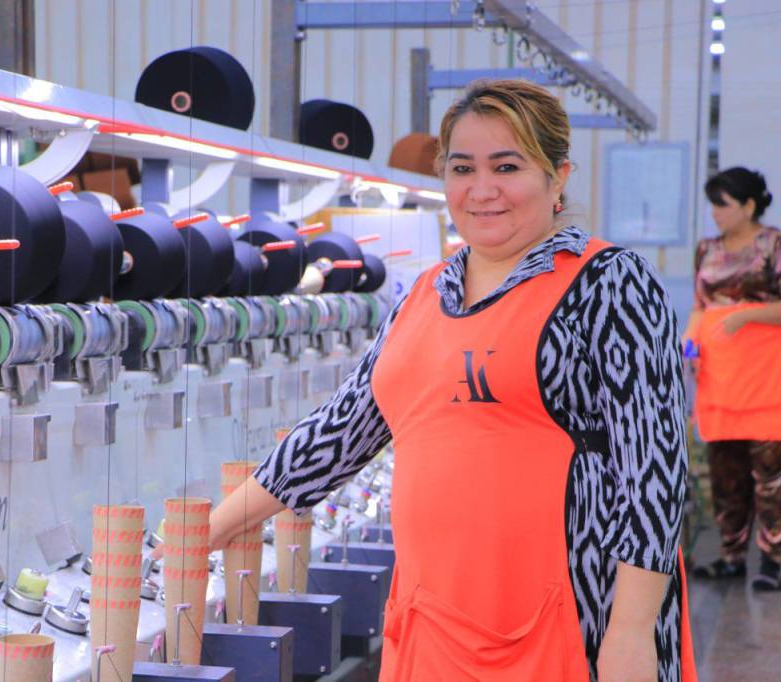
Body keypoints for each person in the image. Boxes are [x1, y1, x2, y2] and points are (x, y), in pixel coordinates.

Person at [204, 80, 696, 681]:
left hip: (576, 615)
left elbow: (654, 470)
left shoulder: (610, 282)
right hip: (431, 617)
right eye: (463, 168)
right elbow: (340, 431)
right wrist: (210, 530)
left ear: (557, 177)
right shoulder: (424, 291)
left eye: (507, 167)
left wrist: (632, 633)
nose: (482, 190)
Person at [686, 167, 781, 590]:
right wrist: (690, 344)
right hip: (719, 377)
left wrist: (746, 316)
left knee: (770, 476)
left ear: (748, 206)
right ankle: (731, 555)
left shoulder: (773, 244)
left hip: (766, 377)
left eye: (722, 205)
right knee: (726, 473)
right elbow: (699, 306)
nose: (715, 213)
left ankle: (773, 559)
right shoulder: (706, 248)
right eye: (713, 205)